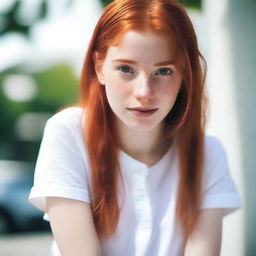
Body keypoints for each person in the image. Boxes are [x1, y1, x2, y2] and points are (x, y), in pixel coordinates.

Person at [28, 0, 241, 255]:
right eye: (126, 68)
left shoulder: (208, 151)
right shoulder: (68, 133)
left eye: (163, 71)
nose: (144, 92)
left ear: (185, 74)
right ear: (100, 67)